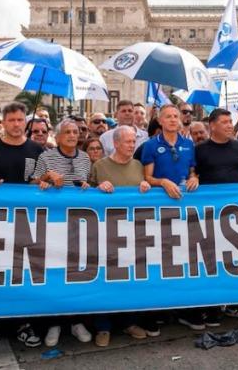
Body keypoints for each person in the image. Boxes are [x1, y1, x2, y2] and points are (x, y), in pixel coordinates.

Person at [0, 102, 45, 348]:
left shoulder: (37, 150)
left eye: (20, 120)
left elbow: (42, 179)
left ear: (26, 122)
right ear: (3, 123)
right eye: (11, 120)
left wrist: (44, 182)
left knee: (21, 274)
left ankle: (22, 323)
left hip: (27, 221)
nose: (16, 124)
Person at [194, 108, 238, 326]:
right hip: (210, 216)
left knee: (237, 258)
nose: (230, 125)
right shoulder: (200, 150)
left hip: (237, 214)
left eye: (230, 121)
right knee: (212, 260)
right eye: (224, 122)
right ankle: (212, 306)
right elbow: (193, 173)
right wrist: (193, 178)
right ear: (212, 125)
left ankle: (235, 302)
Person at [31, 120, 93, 346]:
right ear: (57, 137)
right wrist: (45, 179)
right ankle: (54, 323)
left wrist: (87, 186)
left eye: (75, 132)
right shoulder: (45, 157)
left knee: (76, 273)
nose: (72, 135)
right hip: (52, 225)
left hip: (77, 224)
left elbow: (89, 184)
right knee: (54, 273)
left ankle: (76, 321)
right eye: (67, 132)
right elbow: (31, 183)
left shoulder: (85, 158)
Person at [88, 125, 151, 346]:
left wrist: (145, 185)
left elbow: (144, 191)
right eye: (128, 142)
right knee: (104, 280)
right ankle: (103, 328)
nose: (132, 145)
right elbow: (84, 194)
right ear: (116, 143)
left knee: (131, 279)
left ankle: (129, 322)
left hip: (132, 233)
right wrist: (98, 187)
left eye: (134, 141)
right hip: (105, 234)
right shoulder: (99, 165)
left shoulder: (138, 166)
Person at [141, 104, 198, 199]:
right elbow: (148, 177)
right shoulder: (150, 145)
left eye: (175, 116)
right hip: (160, 198)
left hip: (184, 198)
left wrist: (194, 178)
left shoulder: (188, 144)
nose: (173, 120)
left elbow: (192, 171)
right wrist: (163, 182)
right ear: (160, 121)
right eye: (168, 117)